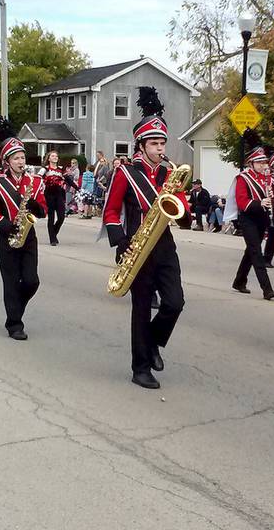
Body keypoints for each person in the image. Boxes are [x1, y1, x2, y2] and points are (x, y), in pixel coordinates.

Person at [102, 86, 191, 389]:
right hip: (136, 245)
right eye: (154, 143)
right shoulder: (125, 173)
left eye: (163, 142)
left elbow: (181, 210)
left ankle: (152, 341)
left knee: (175, 303)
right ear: (140, 146)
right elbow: (111, 211)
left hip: (164, 245)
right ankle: (140, 368)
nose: (160, 148)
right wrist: (120, 240)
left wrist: (187, 210)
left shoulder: (170, 175)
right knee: (141, 307)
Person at [0, 116, 48, 340]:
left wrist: (35, 207)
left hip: (29, 236)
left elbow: (43, 210)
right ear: (7, 161)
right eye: (16, 158)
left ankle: (15, 309)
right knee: (11, 282)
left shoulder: (35, 182)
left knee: (32, 280)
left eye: (22, 157)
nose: (21, 161)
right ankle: (15, 324)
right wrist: (5, 226)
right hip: (7, 237)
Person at [225, 133, 274, 300]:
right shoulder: (243, 178)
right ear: (251, 163)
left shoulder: (267, 179)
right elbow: (242, 202)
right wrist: (260, 203)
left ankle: (239, 281)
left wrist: (271, 195)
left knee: (251, 251)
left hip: (261, 219)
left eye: (264, 162)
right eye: (259, 163)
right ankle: (267, 289)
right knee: (256, 252)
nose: (263, 165)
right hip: (248, 219)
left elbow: (271, 197)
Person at [42, 150, 72, 246]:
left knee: (61, 217)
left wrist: (79, 189)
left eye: (56, 156)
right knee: (51, 217)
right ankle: (52, 239)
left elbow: (69, 180)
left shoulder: (61, 169)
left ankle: (53, 233)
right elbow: (37, 179)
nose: (55, 157)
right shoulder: (45, 169)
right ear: (49, 158)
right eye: (53, 156)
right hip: (49, 195)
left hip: (59, 194)